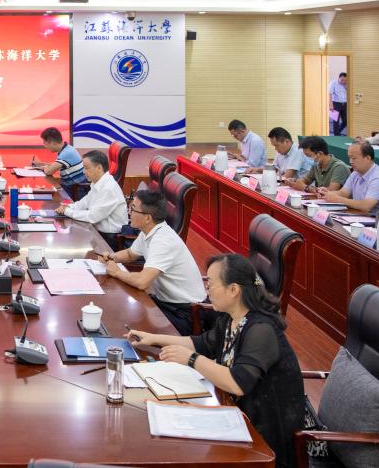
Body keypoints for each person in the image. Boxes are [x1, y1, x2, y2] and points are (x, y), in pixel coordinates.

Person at [127, 254, 303, 468]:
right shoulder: (231, 318)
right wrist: (152, 338)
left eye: (210, 284)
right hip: (236, 418)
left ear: (233, 290)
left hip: (265, 439)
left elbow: (238, 383)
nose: (207, 289)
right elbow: (200, 343)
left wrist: (192, 360)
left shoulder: (261, 330)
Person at [101, 190, 206, 335]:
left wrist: (117, 272)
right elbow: (130, 254)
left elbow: (142, 282)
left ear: (147, 218)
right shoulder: (149, 231)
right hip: (165, 302)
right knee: (123, 309)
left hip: (186, 313)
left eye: (133, 208)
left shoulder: (163, 240)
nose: (129, 212)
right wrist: (112, 257)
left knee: (128, 319)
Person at [55, 150, 128, 247]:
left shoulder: (109, 188)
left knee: (71, 244)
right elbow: (84, 203)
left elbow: (92, 217)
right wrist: (69, 207)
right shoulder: (98, 182)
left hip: (110, 239)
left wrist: (67, 211)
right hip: (97, 232)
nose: (84, 172)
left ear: (99, 168)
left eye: (86, 168)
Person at [321, 142, 379, 214]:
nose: (350, 162)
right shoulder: (356, 173)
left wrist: (338, 199)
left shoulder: (378, 178)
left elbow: (366, 206)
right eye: (349, 158)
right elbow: (343, 193)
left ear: (367, 158)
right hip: (365, 216)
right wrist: (327, 193)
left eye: (354, 158)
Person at [30, 127, 87, 196]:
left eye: (45, 143)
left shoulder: (66, 153)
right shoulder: (67, 148)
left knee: (44, 194)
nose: (44, 146)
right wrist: (41, 164)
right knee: (45, 191)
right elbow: (55, 165)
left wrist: (44, 168)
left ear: (53, 143)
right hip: (73, 185)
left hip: (76, 190)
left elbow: (48, 171)